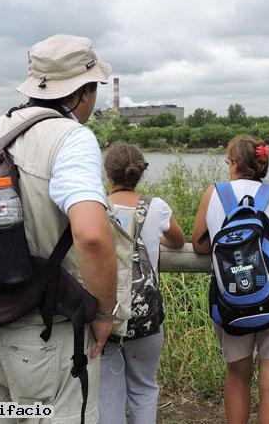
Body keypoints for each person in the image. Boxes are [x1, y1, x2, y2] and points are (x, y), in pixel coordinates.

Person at [0, 34, 117, 423]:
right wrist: (105, 314)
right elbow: (91, 235)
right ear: (82, 93)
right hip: (48, 332)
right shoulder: (71, 138)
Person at [192, 135, 269, 424]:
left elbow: (199, 245)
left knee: (237, 376)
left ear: (234, 163)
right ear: (263, 164)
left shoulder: (214, 193)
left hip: (231, 298)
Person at [98, 142, 185, 424]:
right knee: (144, 388)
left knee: (106, 391)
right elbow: (178, 241)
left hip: (106, 314)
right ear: (140, 173)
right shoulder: (156, 207)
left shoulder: (96, 207)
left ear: (107, 174)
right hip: (144, 316)